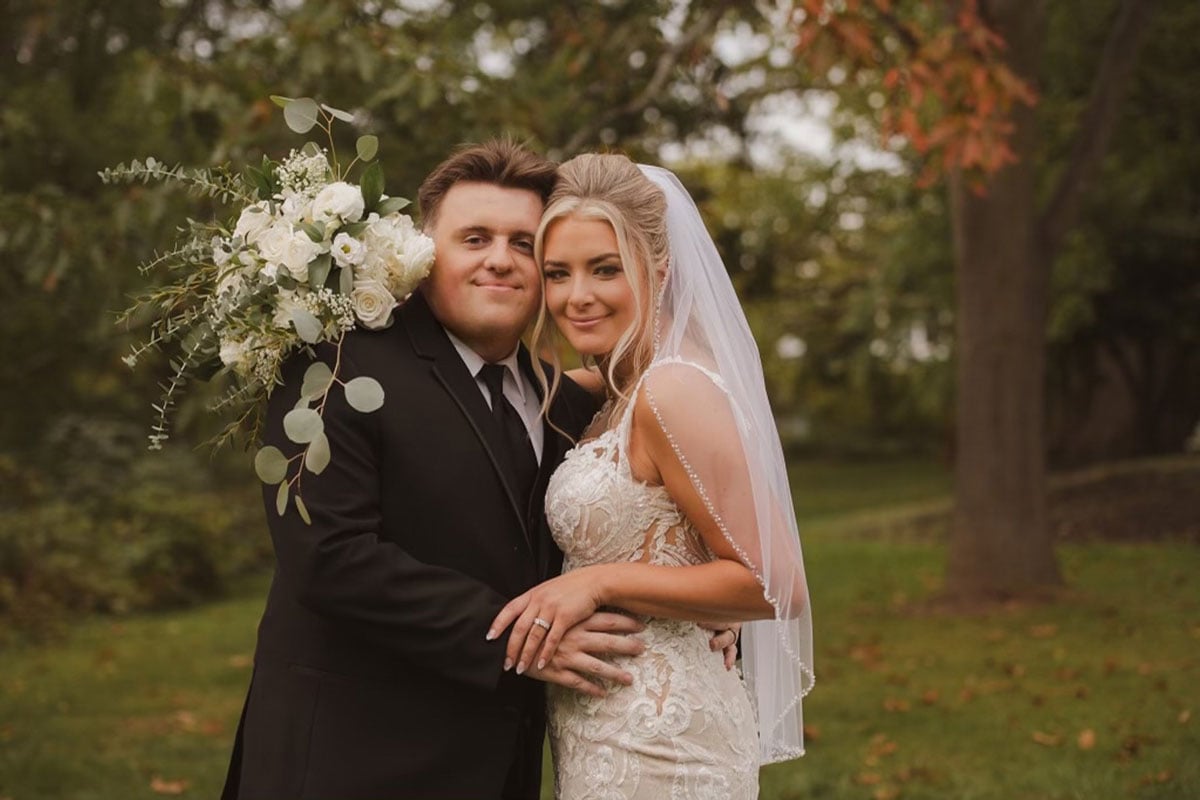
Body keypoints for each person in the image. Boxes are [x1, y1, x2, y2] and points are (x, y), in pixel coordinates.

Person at [221, 141, 660, 800]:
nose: (500, 260)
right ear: (425, 254)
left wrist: (699, 612)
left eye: (523, 243)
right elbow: (329, 555)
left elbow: (621, 518)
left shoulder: (563, 400)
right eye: (474, 238)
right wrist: (524, 640)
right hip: (350, 763)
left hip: (497, 765)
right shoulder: (336, 365)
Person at [489, 154, 815, 799]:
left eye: (604, 269)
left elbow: (775, 583)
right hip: (608, 726)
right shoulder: (613, 389)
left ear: (659, 270)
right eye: (558, 273)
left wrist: (599, 582)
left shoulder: (674, 391)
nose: (577, 297)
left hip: (663, 741)